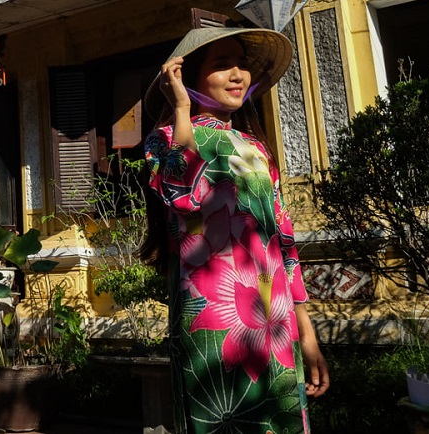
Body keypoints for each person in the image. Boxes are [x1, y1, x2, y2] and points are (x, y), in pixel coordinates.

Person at [140, 25, 329, 433]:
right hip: (213, 314)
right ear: (188, 78)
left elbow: (285, 242)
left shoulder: (257, 148)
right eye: (222, 65)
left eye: (242, 65)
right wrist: (182, 108)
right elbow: (183, 192)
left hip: (274, 315)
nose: (237, 74)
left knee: (278, 419)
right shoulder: (165, 139)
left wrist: (305, 328)